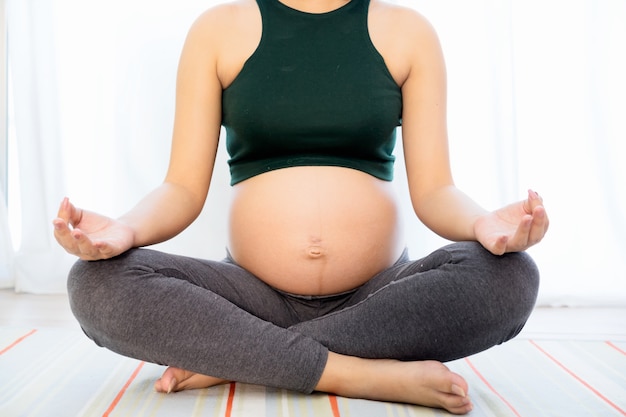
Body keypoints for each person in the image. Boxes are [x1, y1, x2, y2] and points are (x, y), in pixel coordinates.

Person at [52, 0, 548, 414]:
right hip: (248, 297)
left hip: (379, 299)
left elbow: (436, 192)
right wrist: (124, 230)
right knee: (95, 283)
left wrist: (483, 224)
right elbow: (181, 188)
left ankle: (239, 354)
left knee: (511, 276)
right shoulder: (218, 30)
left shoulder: (408, 31)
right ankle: (355, 374)